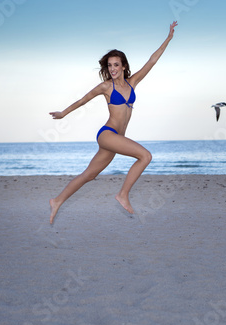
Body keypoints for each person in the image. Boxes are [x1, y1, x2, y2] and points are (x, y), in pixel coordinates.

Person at [49, 21, 178, 224]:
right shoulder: (106, 87)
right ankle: (123, 195)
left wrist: (168, 38)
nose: (112, 69)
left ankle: (57, 200)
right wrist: (63, 113)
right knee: (145, 156)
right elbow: (83, 100)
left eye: (116, 65)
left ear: (123, 66)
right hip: (107, 134)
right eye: (109, 65)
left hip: (116, 139)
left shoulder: (132, 82)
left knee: (88, 175)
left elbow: (152, 61)